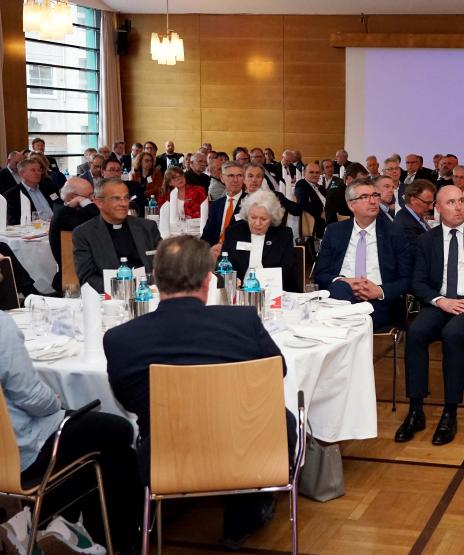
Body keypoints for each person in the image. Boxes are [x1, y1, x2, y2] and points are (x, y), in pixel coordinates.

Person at [103, 235, 296, 549]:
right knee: (278, 417)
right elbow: (278, 372)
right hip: (248, 453)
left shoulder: (120, 338)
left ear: (155, 278)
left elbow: (128, 399)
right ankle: (244, 514)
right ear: (209, 280)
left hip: (166, 456)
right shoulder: (242, 321)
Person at [1, 312, 140, 550]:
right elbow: (32, 396)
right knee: (121, 433)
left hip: (10, 446)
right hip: (20, 449)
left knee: (102, 449)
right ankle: (108, 542)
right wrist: (56, 401)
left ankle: (55, 526)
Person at [395, 185, 464, 446]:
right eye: (451, 202)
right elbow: (418, 282)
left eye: (461, 201)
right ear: (438, 208)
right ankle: (415, 409)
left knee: (452, 333)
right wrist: (440, 301)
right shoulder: (427, 240)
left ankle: (450, 411)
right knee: (416, 332)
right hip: (441, 303)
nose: (458, 207)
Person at [314, 180, 412, 329]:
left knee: (340, 318)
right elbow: (320, 275)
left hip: (376, 302)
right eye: (365, 197)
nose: (373, 201)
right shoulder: (334, 231)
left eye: (375, 195)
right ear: (351, 205)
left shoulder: (394, 232)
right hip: (341, 298)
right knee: (340, 289)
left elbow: (407, 279)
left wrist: (380, 291)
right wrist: (345, 281)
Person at [72, 178, 161, 294]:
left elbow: (164, 264)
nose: (124, 204)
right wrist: (124, 289)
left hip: (149, 294)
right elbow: (88, 278)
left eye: (126, 198)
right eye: (116, 199)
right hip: (110, 299)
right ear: (99, 202)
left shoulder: (147, 227)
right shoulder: (84, 234)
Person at [218, 189, 296, 288]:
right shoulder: (234, 232)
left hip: (273, 290)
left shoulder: (283, 235)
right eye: (253, 217)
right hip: (240, 291)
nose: (257, 223)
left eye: (263, 219)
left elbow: (288, 270)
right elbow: (223, 263)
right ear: (247, 215)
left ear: (272, 218)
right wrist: (231, 279)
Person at [48, 177, 99, 292]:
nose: (93, 199)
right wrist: (86, 203)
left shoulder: (78, 210)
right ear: (71, 197)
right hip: (75, 276)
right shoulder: (64, 214)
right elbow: (100, 221)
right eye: (89, 196)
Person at [202, 161, 247, 248]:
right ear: (222, 178)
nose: (235, 180)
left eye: (239, 176)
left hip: (238, 253)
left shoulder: (251, 202)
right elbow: (207, 235)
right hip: (215, 252)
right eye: (231, 176)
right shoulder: (216, 205)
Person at [4, 157, 59, 225]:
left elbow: (59, 204)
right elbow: (14, 221)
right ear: (21, 173)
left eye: (39, 170)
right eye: (33, 170)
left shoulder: (49, 188)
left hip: (56, 225)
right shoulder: (12, 195)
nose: (38, 173)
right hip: (34, 229)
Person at [394, 179, 436, 246]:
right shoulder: (405, 224)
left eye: (432, 203)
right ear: (413, 200)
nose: (431, 207)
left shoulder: (414, 216)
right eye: (427, 203)